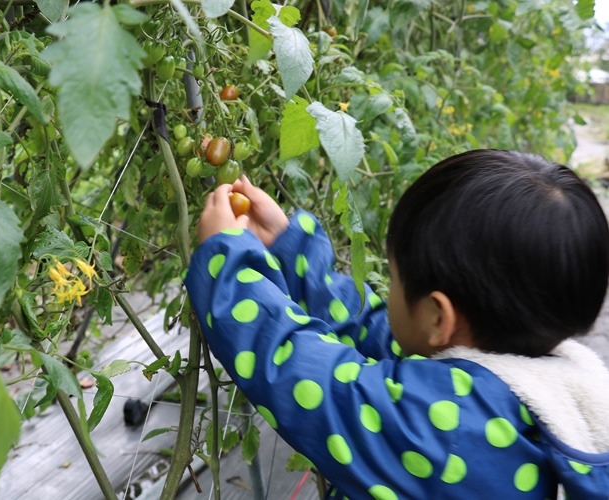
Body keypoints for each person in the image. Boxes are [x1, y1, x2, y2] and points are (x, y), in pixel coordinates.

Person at [183, 149, 609, 499]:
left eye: (395, 278)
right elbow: (375, 332)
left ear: (439, 317)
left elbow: (300, 372)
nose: (389, 296)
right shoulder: (539, 377)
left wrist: (229, 266)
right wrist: (289, 247)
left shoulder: (449, 430)